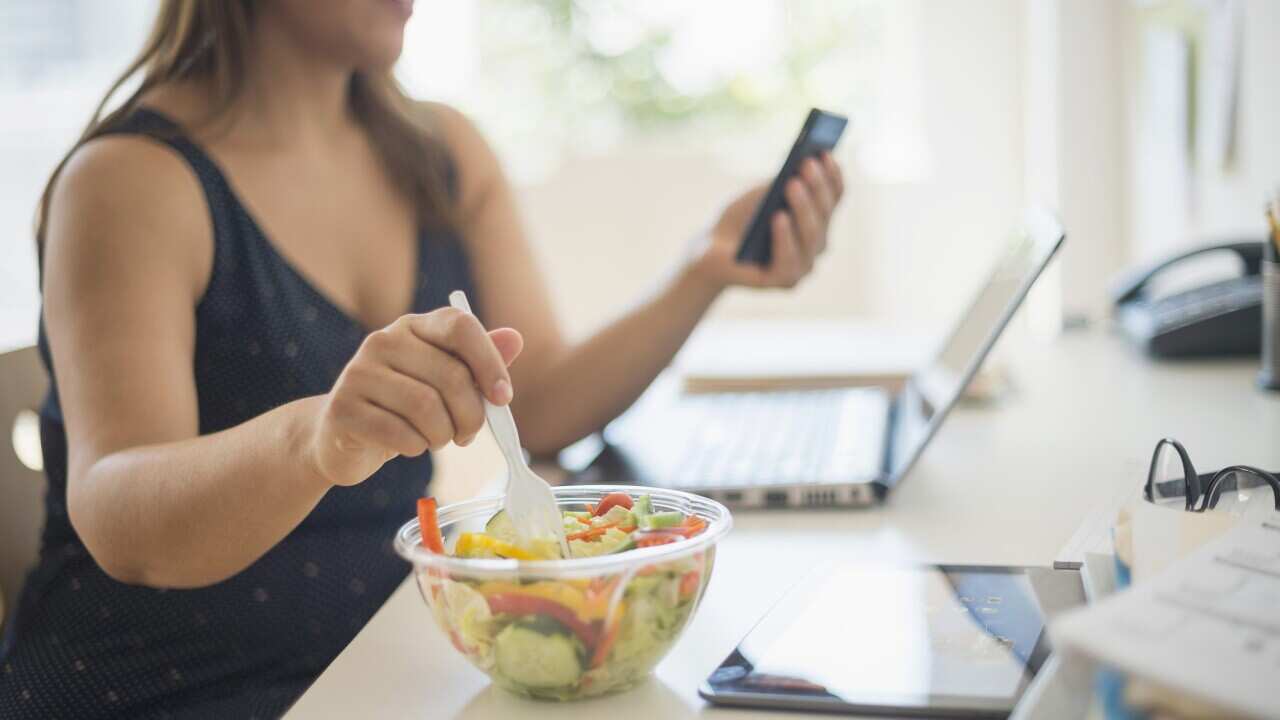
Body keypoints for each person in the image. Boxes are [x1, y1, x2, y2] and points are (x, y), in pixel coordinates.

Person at [0, 1, 843, 717]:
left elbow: (540, 402)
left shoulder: (438, 152)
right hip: (157, 688)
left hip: (366, 667)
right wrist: (317, 438)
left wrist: (704, 271)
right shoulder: (129, 180)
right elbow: (120, 518)